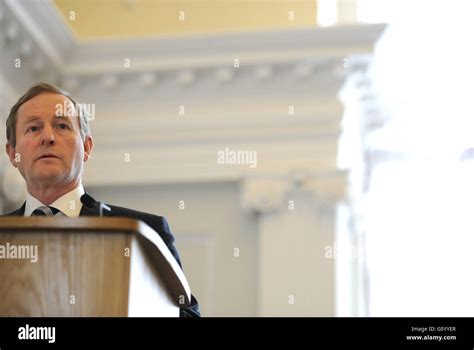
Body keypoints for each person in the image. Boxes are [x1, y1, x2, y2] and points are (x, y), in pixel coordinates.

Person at [2, 82, 200, 317]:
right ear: (12, 154)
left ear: (86, 147)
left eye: (62, 125)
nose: (47, 137)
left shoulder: (145, 233)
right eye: (33, 128)